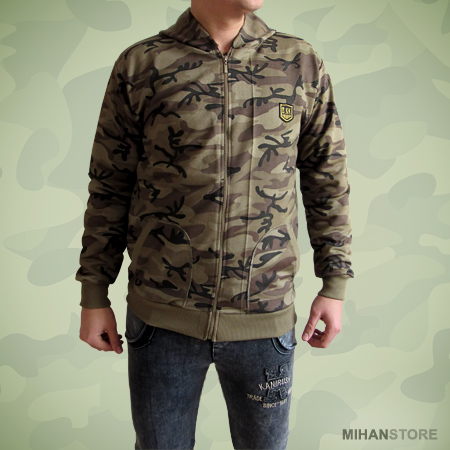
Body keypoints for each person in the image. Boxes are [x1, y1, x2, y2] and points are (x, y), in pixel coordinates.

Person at [76, 0, 354, 448]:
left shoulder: (298, 63)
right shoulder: (143, 64)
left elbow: (328, 178)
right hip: (161, 316)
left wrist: (334, 283)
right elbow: (110, 184)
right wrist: (94, 293)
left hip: (264, 318)